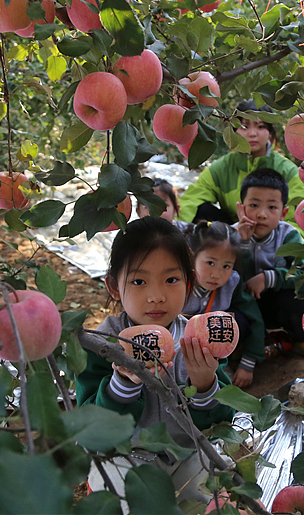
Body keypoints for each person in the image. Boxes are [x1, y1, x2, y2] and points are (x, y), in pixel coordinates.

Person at [76, 216, 235, 507]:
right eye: (139, 281)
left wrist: (205, 387)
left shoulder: (199, 338)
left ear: (189, 284)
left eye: (171, 280)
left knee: (218, 496)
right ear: (114, 287)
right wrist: (122, 385)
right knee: (126, 502)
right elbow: (92, 430)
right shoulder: (103, 344)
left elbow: (222, 421)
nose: (157, 296)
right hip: (124, 457)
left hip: (187, 453)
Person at [235, 168, 304, 363]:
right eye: (254, 205)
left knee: (298, 299)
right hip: (244, 304)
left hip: (276, 304)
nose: (261, 214)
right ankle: (255, 342)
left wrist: (269, 278)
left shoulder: (288, 236)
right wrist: (242, 244)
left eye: (272, 207)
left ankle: (301, 338)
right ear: (241, 208)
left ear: (283, 213)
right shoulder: (230, 235)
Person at [176, 99, 304, 227]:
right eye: (244, 126)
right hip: (234, 236)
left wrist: (284, 242)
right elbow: (191, 201)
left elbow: (299, 217)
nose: (252, 133)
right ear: (234, 132)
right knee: (201, 210)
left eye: (260, 126)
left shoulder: (288, 171)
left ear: (270, 132)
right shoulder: (221, 169)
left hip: (272, 238)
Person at [182, 221, 266, 388]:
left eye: (226, 266)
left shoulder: (230, 285)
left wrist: (248, 363)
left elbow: (254, 318)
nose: (216, 274)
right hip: (179, 344)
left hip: (212, 349)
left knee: (238, 320)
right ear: (192, 255)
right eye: (210, 263)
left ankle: (220, 367)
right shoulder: (176, 283)